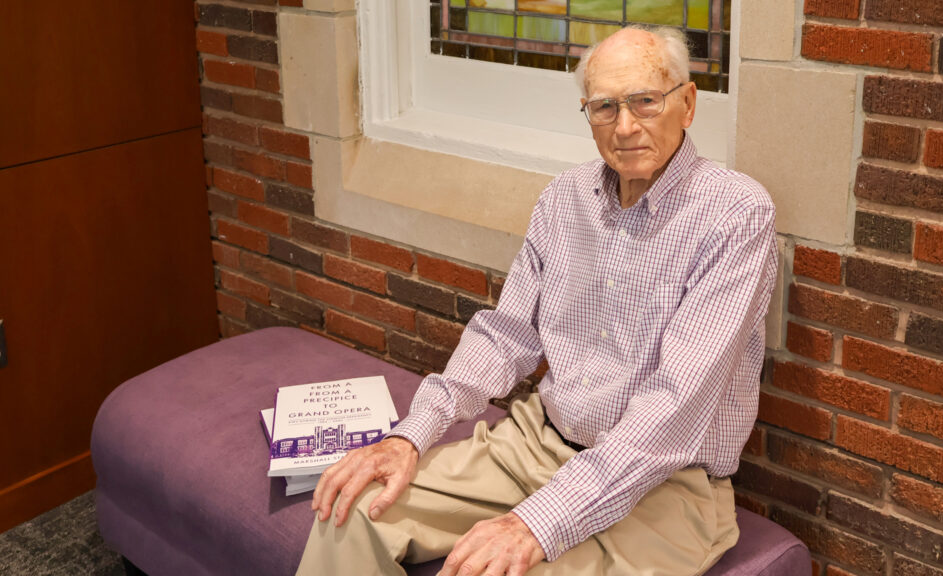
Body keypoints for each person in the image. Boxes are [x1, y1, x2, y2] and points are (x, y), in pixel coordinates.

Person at [298, 25, 778, 576]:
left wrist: (534, 523)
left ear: (686, 104)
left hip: (664, 487)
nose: (625, 127)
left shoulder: (735, 214)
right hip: (536, 444)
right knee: (352, 511)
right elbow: (505, 338)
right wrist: (411, 435)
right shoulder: (564, 199)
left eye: (645, 101)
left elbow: (673, 412)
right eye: (604, 107)